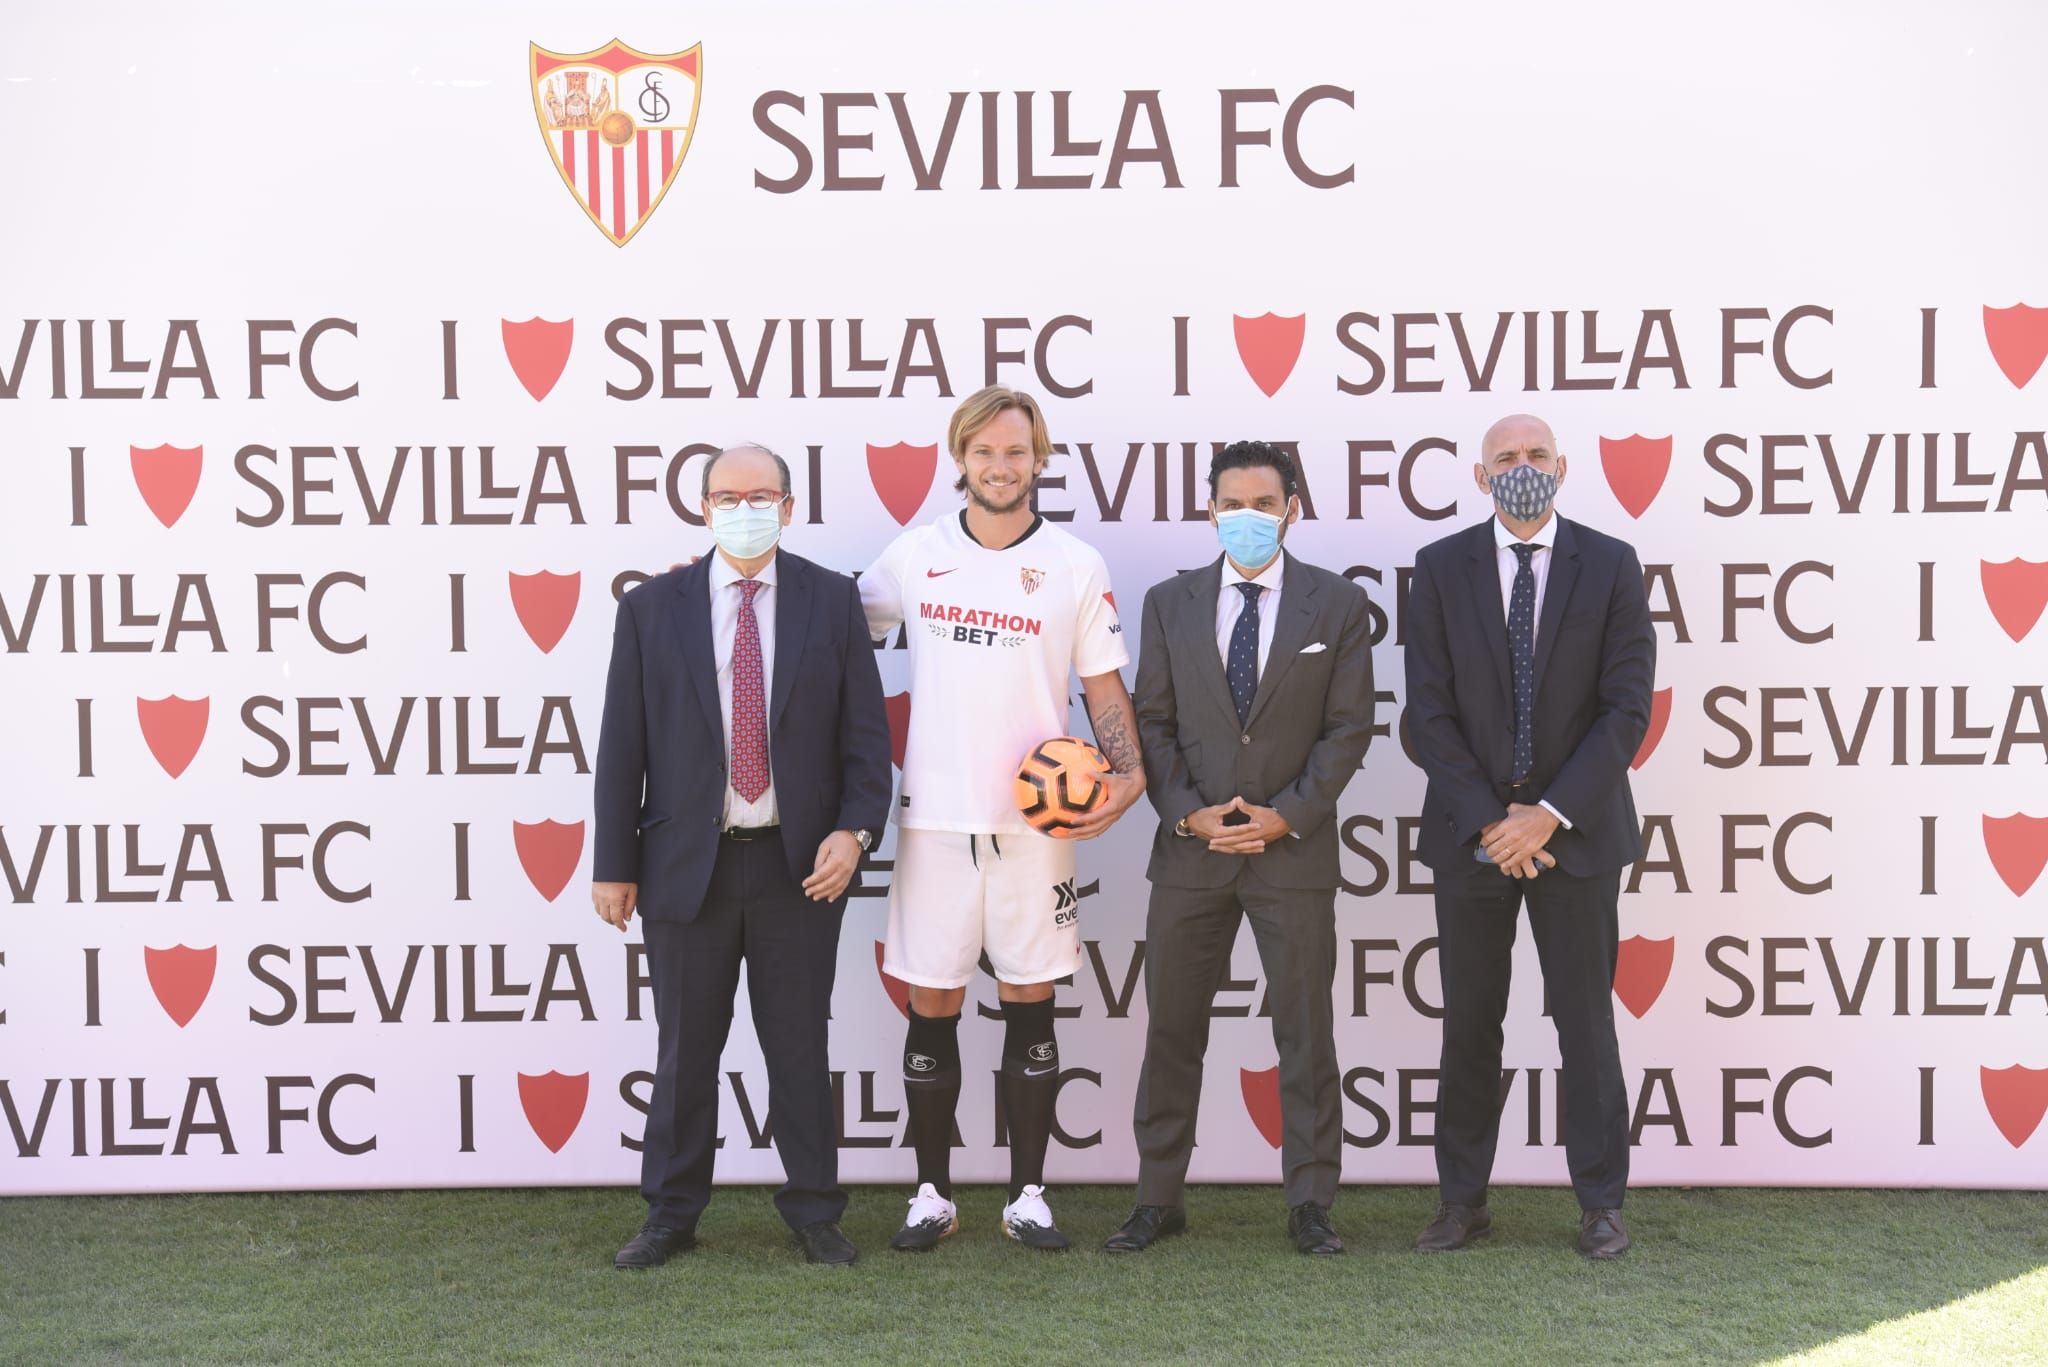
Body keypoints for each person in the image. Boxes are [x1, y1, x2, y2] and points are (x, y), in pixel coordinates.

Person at [590, 442, 892, 1268]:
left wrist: (855, 830)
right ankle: (672, 1212)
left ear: (789, 507)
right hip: (687, 866)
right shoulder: (652, 607)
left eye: (761, 494)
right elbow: (624, 745)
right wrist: (613, 862)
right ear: (703, 507)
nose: (743, 507)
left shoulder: (832, 602)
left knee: (799, 1043)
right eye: (727, 494)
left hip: (801, 866)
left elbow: (868, 742)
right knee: (686, 1048)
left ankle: (815, 1211)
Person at [860, 384, 1146, 1252]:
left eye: (1015, 451)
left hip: (1037, 826)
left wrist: (1129, 774)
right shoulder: (913, 557)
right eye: (983, 451)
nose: (999, 465)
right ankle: (931, 1193)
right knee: (932, 1000)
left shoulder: (1073, 563)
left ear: (1040, 458)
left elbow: (1102, 684)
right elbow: (829, 637)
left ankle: (1028, 1193)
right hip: (936, 822)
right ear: (960, 458)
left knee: (1031, 997)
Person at [1106, 440, 1374, 1257]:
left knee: (1304, 1030)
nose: (1248, 517)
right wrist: (1189, 814)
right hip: (1191, 855)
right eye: (1234, 503)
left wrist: (1285, 816)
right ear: (1209, 508)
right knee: (1172, 1028)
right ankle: (1158, 1198)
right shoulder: (1169, 602)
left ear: (1292, 508)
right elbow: (1149, 719)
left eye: (1265, 503)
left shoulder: (1335, 604)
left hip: (1291, 853)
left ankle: (1310, 1203)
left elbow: (1347, 727)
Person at [1405, 413, 1655, 1260]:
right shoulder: (1439, 570)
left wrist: (1546, 813)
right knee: (1469, 1021)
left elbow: (1627, 709)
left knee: (1584, 1021)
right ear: (1480, 477)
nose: (1522, 468)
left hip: (1573, 836)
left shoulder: (1613, 564)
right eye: (1505, 458)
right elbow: (1426, 712)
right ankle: (1462, 1202)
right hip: (1470, 835)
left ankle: (1601, 1205)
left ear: (1563, 468)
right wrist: (1491, 818)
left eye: (1536, 455)